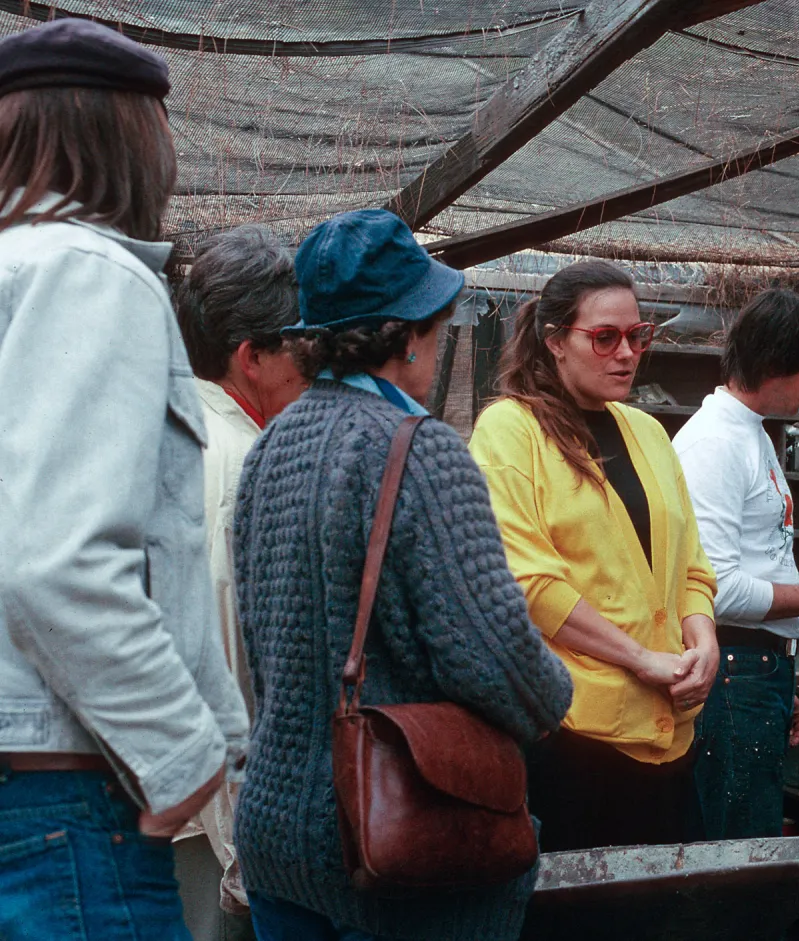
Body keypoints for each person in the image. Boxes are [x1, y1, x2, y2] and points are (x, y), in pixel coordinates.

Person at [232, 209, 573, 941]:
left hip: (276, 834)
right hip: (396, 838)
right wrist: (557, 696)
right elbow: (491, 654)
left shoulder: (269, 447)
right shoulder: (420, 450)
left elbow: (262, 639)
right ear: (409, 332)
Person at [0, 19, 248, 938]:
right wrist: (183, 754)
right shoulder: (88, 270)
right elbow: (55, 563)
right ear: (127, 134)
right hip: (63, 811)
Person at [468, 260, 719, 851]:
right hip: (573, 738)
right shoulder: (511, 430)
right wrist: (639, 659)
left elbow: (689, 566)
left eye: (638, 336)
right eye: (604, 338)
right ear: (555, 341)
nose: (626, 353)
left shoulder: (648, 432)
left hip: (670, 730)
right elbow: (527, 584)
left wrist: (702, 642)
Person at [671, 289, 799, 840]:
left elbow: (761, 559)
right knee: (736, 855)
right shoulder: (714, 445)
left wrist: (779, 668)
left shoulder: (748, 434)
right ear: (775, 363)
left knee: (750, 840)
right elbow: (718, 591)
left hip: (751, 668)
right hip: (730, 670)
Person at [172, 224, 306, 941]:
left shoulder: (166, 424)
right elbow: (231, 654)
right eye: (299, 342)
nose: (312, 361)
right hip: (211, 818)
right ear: (252, 357)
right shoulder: (246, 462)